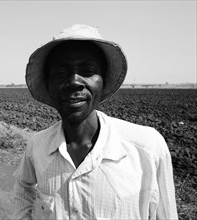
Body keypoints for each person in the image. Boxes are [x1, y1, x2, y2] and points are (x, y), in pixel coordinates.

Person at [13, 24, 178, 219]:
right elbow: (23, 189)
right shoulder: (37, 146)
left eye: (87, 70)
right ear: (48, 85)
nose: (74, 81)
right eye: (60, 73)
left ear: (103, 81)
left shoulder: (147, 146)